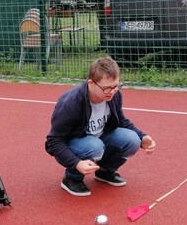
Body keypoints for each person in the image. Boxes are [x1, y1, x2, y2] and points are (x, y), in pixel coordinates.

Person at [45, 57, 156, 196]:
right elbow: (54, 141)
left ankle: (104, 171)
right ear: (91, 83)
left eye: (116, 86)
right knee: (94, 146)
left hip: (100, 138)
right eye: (106, 88)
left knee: (133, 140)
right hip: (76, 143)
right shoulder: (70, 103)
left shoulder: (114, 94)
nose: (112, 91)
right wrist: (76, 163)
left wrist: (142, 136)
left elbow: (121, 120)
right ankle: (72, 178)